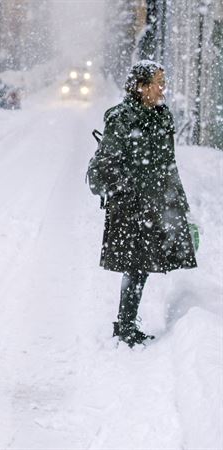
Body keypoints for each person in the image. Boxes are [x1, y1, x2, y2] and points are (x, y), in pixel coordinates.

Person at [97, 60, 197, 347]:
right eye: (158, 82)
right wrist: (129, 189)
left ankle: (126, 323)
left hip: (156, 201)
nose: (163, 88)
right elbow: (108, 162)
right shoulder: (122, 118)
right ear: (142, 87)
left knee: (143, 264)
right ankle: (125, 325)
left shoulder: (162, 116)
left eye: (163, 82)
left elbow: (168, 164)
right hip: (131, 204)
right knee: (136, 265)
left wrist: (178, 200)